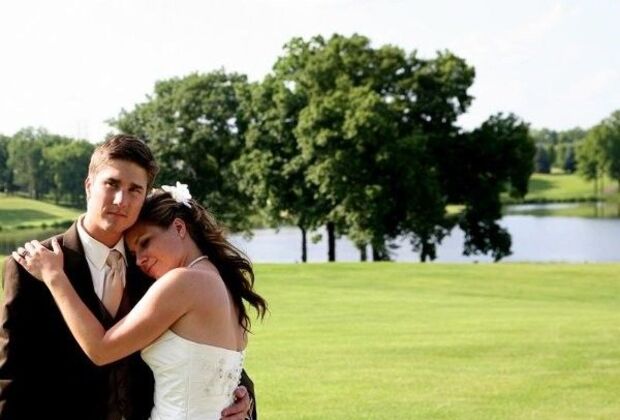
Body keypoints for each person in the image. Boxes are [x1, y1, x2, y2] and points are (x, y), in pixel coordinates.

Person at [0, 135, 255, 420]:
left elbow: (209, 351)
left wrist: (240, 397)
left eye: (135, 189)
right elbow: (11, 376)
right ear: (89, 185)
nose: (121, 200)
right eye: (112, 184)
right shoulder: (33, 265)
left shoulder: (160, 267)